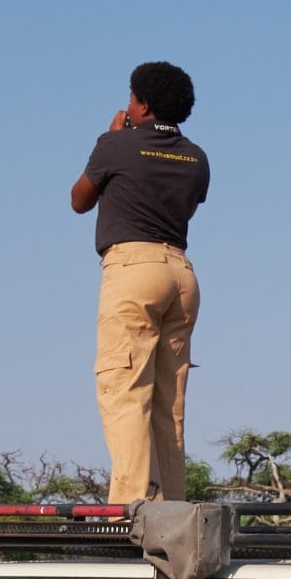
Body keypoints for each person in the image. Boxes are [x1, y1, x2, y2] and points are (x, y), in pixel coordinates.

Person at [71, 61, 209, 505]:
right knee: (169, 404)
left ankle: (127, 511)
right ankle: (170, 511)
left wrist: (111, 137)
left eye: (131, 98)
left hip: (133, 269)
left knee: (126, 391)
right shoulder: (196, 156)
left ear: (143, 105)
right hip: (181, 273)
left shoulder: (116, 144)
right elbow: (183, 207)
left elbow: (79, 200)